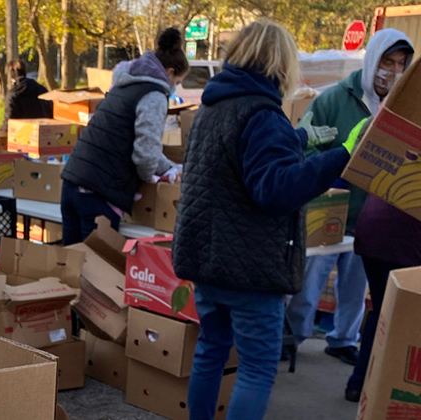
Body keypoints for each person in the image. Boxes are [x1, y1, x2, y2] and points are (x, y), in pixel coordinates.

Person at [172, 20, 352, 420]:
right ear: (281, 64)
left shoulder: (214, 107)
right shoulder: (263, 114)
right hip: (250, 269)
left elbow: (243, 161)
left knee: (211, 352)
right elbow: (275, 190)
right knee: (256, 368)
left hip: (207, 262)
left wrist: (300, 139)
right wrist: (341, 156)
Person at [286, 29, 414, 368]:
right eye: (388, 62)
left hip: (371, 218)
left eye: (403, 64)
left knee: (355, 289)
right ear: (373, 59)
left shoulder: (405, 106)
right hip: (329, 212)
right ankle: (294, 338)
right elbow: (306, 149)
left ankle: (342, 339)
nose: (394, 71)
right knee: (309, 283)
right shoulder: (334, 99)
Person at [60, 28, 188, 245]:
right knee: (98, 273)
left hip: (73, 183)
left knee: (69, 270)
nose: (177, 86)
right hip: (100, 194)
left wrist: (168, 166)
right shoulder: (154, 96)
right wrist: (151, 179)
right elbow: (145, 155)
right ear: (170, 72)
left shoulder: (124, 86)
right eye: (179, 80)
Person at [344, 120, 421, 402]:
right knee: (404, 317)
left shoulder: (407, 122)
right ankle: (391, 389)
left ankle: (361, 384)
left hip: (375, 229)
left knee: (382, 310)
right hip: (405, 238)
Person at [0, 60, 52, 131]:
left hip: (22, 134)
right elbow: (51, 111)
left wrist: (1, 132)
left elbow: (9, 119)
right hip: (44, 132)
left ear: (11, 76)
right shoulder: (41, 89)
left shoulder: (13, 93)